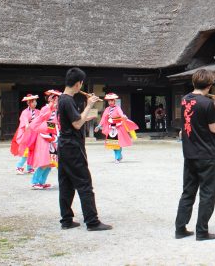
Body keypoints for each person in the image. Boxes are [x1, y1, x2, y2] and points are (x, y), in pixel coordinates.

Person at [175, 69, 215, 241]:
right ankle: (201, 231)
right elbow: (214, 128)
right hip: (206, 154)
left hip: (189, 153)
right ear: (209, 85)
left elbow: (198, 116)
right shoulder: (205, 103)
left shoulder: (185, 99)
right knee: (207, 193)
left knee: (188, 192)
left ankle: (180, 228)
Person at [57, 67, 112, 231]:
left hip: (64, 145)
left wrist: (87, 116)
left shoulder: (62, 99)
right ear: (79, 83)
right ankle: (92, 221)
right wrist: (89, 105)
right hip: (72, 147)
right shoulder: (67, 100)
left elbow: (72, 121)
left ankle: (66, 220)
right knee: (84, 183)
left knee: (66, 183)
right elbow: (76, 124)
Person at [28, 90, 62, 190]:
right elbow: (43, 120)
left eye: (57, 99)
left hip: (53, 137)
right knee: (44, 161)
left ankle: (42, 182)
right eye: (55, 98)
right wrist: (51, 107)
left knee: (51, 162)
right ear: (51, 99)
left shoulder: (56, 110)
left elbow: (56, 123)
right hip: (44, 136)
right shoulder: (45, 108)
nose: (57, 100)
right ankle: (35, 182)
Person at [95, 93, 139, 163]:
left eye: (112, 100)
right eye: (109, 101)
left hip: (118, 127)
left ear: (114, 101)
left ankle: (117, 157)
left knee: (118, 143)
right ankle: (118, 156)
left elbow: (121, 114)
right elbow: (103, 118)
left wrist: (123, 117)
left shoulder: (117, 108)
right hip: (111, 128)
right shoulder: (107, 109)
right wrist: (99, 125)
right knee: (113, 143)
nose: (110, 102)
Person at [11, 94, 39, 174]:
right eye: (33, 102)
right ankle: (18, 166)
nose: (35, 103)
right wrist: (28, 125)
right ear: (29, 103)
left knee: (31, 151)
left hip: (34, 133)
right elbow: (25, 122)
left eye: (35, 102)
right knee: (26, 151)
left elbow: (41, 119)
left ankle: (30, 167)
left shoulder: (37, 112)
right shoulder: (25, 112)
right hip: (27, 133)